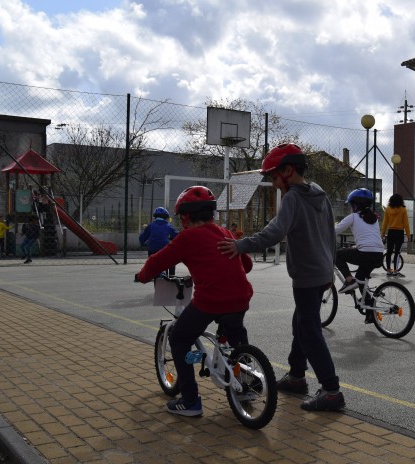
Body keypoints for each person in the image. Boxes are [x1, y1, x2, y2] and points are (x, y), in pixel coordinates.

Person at [217, 143, 344, 412]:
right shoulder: (318, 192)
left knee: (309, 330)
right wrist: (330, 268)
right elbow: (331, 234)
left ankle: (331, 390)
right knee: (301, 322)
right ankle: (297, 377)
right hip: (321, 271)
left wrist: (241, 245)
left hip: (308, 275)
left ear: (288, 171)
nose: (273, 184)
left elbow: (275, 231)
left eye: (274, 177)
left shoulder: (293, 198)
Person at [135, 186, 253, 417]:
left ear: (186, 217)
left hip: (211, 301)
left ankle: (190, 401)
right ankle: (246, 384)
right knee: (236, 337)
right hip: (241, 297)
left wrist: (142, 277)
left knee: (179, 338)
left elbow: (157, 262)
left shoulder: (187, 237)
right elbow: (246, 265)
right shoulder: (225, 233)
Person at [335, 188, 383, 310]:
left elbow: (333, 231)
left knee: (336, 254)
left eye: (351, 205)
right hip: (378, 255)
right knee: (361, 279)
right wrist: (358, 246)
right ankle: (370, 313)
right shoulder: (374, 219)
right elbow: (369, 238)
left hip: (365, 254)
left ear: (355, 205)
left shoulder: (353, 217)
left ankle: (349, 280)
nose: (351, 208)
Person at [139, 207, 179, 276]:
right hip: (164, 250)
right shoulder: (168, 226)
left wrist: (143, 244)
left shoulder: (150, 226)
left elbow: (142, 238)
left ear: (155, 217)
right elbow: (177, 236)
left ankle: (152, 273)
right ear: (166, 217)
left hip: (152, 250)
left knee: (152, 263)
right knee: (172, 261)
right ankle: (172, 276)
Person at [381, 193, 411, 277]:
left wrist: (383, 233)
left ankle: (388, 270)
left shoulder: (387, 209)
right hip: (399, 233)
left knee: (389, 252)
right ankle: (395, 271)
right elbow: (406, 224)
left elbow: (385, 222)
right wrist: (408, 235)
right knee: (397, 253)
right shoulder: (403, 210)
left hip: (391, 232)